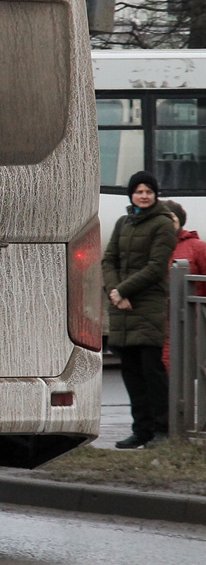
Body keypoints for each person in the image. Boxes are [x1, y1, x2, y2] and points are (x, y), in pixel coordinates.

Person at [101, 170, 177, 449]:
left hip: (147, 306)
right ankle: (141, 430)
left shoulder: (163, 224)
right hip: (123, 308)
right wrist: (114, 291)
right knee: (131, 373)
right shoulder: (123, 222)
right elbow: (108, 260)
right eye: (139, 191)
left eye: (148, 191)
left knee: (152, 371)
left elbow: (156, 267)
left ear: (155, 195)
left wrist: (123, 290)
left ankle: (163, 429)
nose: (143, 196)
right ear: (131, 194)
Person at [160, 200, 206, 371]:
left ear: (180, 220)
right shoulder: (153, 246)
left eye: (170, 217)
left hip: (190, 320)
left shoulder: (197, 247)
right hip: (159, 319)